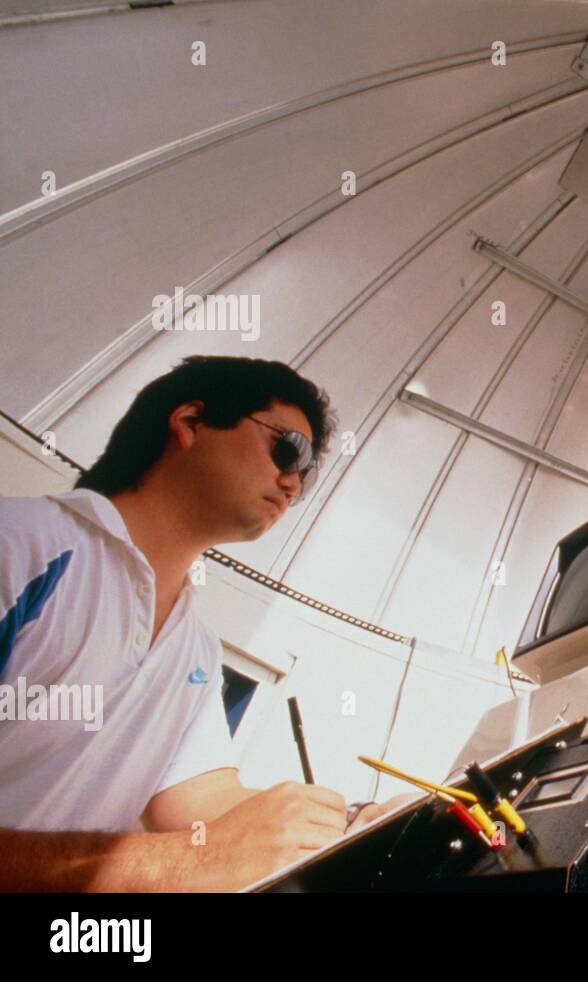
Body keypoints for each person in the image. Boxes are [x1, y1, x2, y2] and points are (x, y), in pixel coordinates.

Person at [0, 356, 415, 891]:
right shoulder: (20, 546)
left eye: (306, 474)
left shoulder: (194, 651)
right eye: (289, 449)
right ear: (191, 422)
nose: (292, 482)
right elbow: (202, 849)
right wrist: (187, 863)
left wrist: (357, 824)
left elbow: (202, 807)